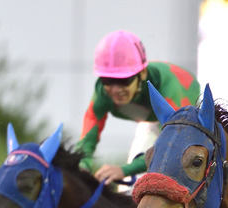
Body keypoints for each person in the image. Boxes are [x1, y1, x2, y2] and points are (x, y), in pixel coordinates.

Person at [76, 30, 202, 184]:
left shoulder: (170, 90)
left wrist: (124, 170)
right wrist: (82, 167)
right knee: (131, 187)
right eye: (107, 80)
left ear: (142, 73)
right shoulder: (102, 93)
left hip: (182, 116)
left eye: (123, 80)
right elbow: (87, 141)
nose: (115, 89)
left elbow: (172, 146)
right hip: (153, 121)